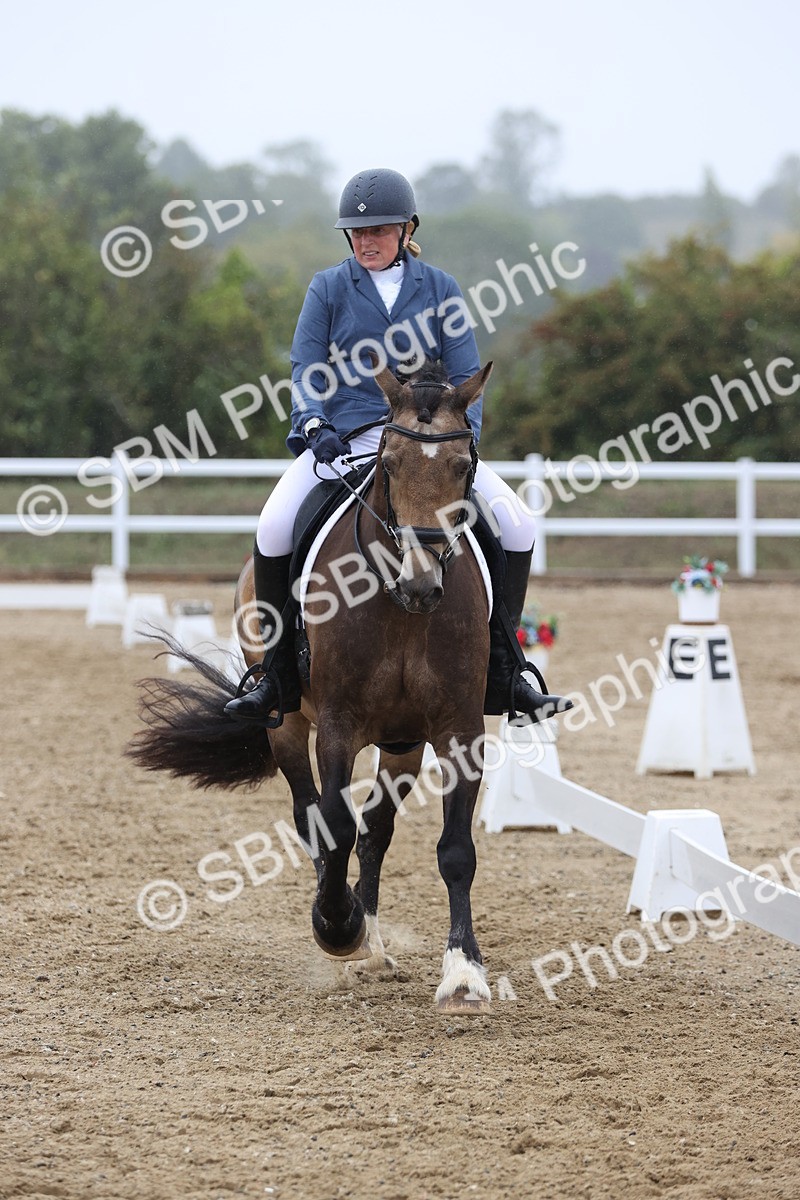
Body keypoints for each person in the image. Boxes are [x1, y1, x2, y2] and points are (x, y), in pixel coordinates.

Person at [224, 168, 571, 726]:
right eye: (357, 232)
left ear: (406, 228)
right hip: (346, 439)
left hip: (433, 444)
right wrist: (314, 426)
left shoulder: (440, 288)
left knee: (521, 524)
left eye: (379, 230)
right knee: (273, 526)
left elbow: (465, 374)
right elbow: (306, 366)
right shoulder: (328, 288)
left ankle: (507, 670)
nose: (367, 241)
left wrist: (459, 444)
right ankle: (275, 676)